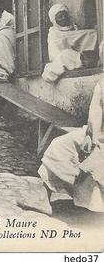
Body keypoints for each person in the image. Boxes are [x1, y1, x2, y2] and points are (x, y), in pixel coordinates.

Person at [19, 76, 104, 215]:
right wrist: (90, 136)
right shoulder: (102, 84)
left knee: (88, 155)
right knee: (60, 144)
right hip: (99, 134)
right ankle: (43, 199)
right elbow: (96, 115)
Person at [42, 4, 98, 83]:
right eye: (60, 17)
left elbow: (81, 39)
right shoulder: (53, 33)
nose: (63, 18)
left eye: (65, 15)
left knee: (92, 34)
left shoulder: (74, 27)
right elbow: (55, 54)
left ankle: (84, 60)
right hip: (65, 56)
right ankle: (81, 61)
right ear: (54, 20)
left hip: (76, 55)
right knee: (65, 54)